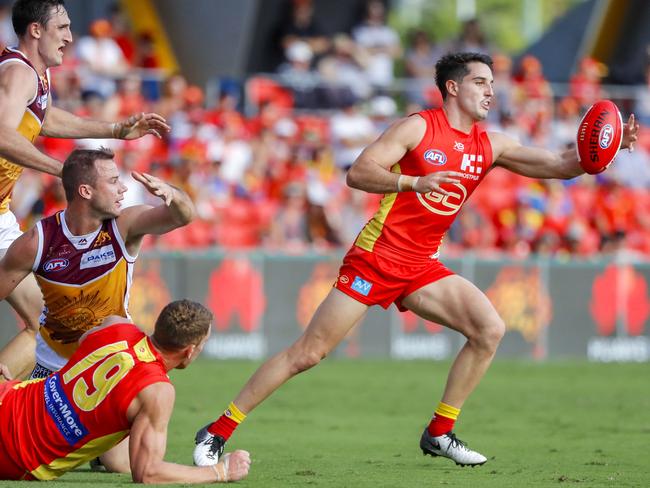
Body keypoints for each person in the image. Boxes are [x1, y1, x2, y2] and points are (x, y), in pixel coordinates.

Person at [192, 52, 640, 468]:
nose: (490, 91)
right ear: (452, 87)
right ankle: (217, 429)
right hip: (376, 258)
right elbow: (359, 173)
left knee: (489, 329)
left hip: (422, 265)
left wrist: (607, 146)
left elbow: (563, 164)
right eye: (480, 82)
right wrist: (413, 183)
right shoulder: (417, 128)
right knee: (308, 353)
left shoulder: (492, 144)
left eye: (492, 84)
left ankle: (440, 432)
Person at [0, 0, 170, 378]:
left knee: (40, 322)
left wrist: (114, 130)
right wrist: (66, 172)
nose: (70, 37)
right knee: (41, 323)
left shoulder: (32, 75)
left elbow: (44, 118)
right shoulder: (18, 73)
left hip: (0, 211)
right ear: (36, 30)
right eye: (62, 27)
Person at [0, 299, 252, 482]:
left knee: (118, 456)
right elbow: (147, 473)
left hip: (6, 398)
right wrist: (220, 472)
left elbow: (83, 341)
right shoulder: (157, 392)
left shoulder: (115, 325)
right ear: (190, 350)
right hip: (17, 457)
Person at [0, 147, 194, 382]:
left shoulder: (125, 225)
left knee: (156, 397)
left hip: (109, 366)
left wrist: (173, 194)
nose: (122, 189)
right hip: (50, 373)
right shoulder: (36, 242)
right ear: (85, 191)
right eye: (113, 181)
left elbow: (182, 216)